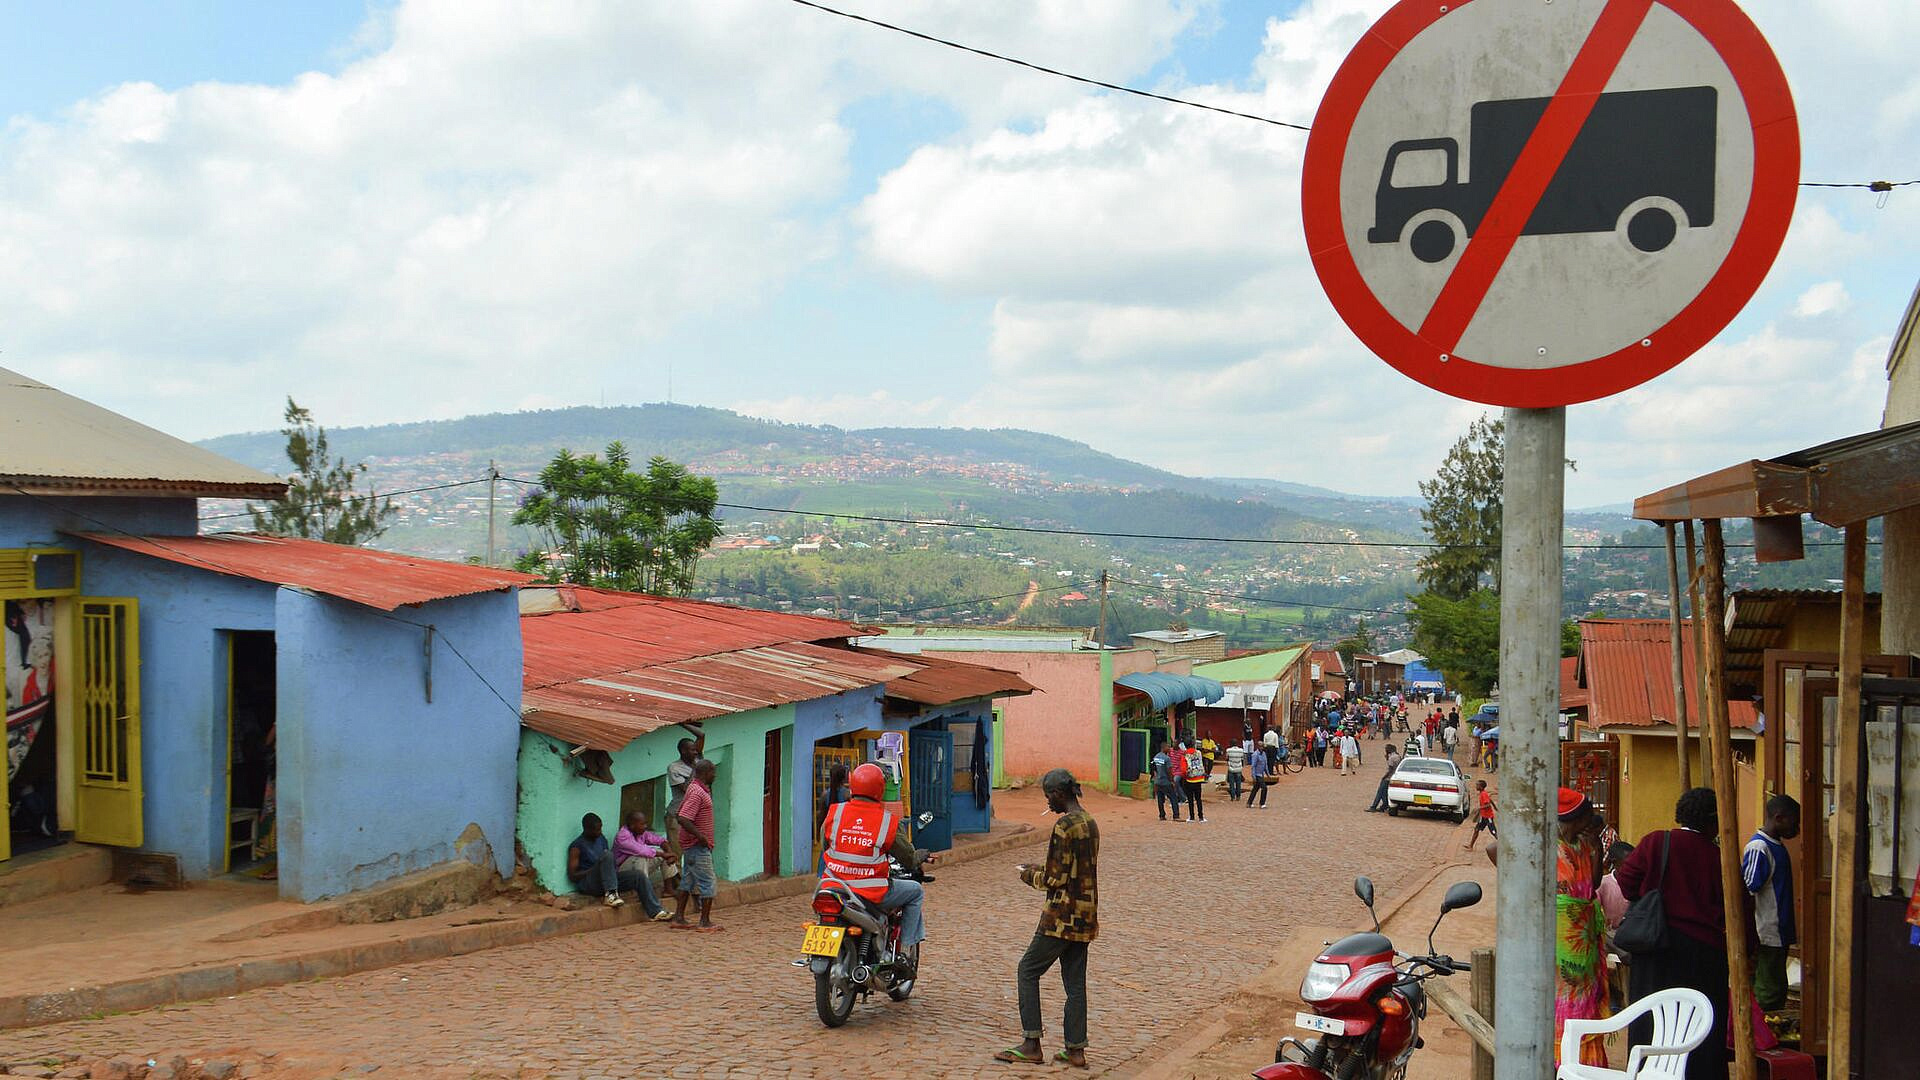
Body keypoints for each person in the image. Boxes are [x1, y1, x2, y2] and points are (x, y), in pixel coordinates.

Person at [1615, 787, 1739, 1080]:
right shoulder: (1719, 857)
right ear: (1712, 822)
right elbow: (1738, 908)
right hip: (1704, 955)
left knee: (1652, 1019)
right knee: (1702, 1026)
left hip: (1656, 949)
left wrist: (1650, 896)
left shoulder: (1657, 841)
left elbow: (1626, 880)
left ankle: (1649, 1072)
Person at [996, 769, 1099, 1069]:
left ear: (1058, 794)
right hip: (1085, 914)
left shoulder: (1064, 826)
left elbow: (1054, 878)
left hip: (1060, 917)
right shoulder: (1090, 823)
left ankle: (1031, 1043)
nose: (1047, 802)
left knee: (1027, 970)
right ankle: (1076, 1050)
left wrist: (1028, 874)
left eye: (1047, 796)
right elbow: (1075, 868)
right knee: (1075, 985)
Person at [819, 762, 932, 968]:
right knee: (915, 891)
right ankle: (905, 951)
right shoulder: (886, 821)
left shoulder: (835, 813)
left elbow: (825, 844)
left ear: (852, 786)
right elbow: (907, 857)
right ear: (880, 790)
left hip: (832, 887)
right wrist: (920, 855)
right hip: (870, 892)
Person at [1555, 789, 1610, 1068]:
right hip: (1562, 938)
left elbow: (1595, 882)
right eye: (1587, 817)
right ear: (1573, 819)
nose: (1592, 822)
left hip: (1585, 937)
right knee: (1564, 998)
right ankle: (1562, 1061)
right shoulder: (1547, 845)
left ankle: (1582, 1063)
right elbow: (1495, 850)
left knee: (1585, 999)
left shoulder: (1585, 844)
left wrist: (1598, 850)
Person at [1742, 793, 1801, 1011]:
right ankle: (1762, 1034)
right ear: (1779, 818)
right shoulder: (1759, 848)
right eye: (1794, 821)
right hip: (1767, 930)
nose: (1797, 827)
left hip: (1779, 929)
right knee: (1768, 989)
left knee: (1776, 984)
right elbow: (1749, 888)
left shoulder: (1775, 845)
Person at [670, 759, 722, 931]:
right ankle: (705, 921)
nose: (715, 775)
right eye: (713, 771)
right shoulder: (697, 792)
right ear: (706, 773)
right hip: (696, 845)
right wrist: (701, 836)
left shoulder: (695, 788)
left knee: (688, 881)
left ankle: (679, 918)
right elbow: (683, 817)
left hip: (693, 845)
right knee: (708, 881)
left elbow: (680, 813)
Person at [613, 810, 674, 920]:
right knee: (642, 857)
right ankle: (643, 893)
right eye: (642, 824)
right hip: (623, 872)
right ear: (632, 825)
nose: (645, 826)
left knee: (661, 853)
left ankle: (668, 889)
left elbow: (659, 840)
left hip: (636, 868)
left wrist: (669, 852)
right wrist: (665, 854)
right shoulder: (623, 836)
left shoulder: (640, 833)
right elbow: (642, 850)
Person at [567, 812, 625, 908]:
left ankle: (655, 911)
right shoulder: (576, 847)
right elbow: (572, 876)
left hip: (604, 882)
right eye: (597, 830)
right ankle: (611, 896)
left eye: (600, 828)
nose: (600, 832)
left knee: (638, 876)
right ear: (587, 829)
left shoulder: (601, 839)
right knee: (608, 855)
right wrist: (595, 869)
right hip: (588, 884)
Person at [1150, 744, 1182, 822]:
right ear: (1163, 748)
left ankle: (1162, 815)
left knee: (1160, 799)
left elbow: (1153, 768)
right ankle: (1176, 816)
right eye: (1168, 747)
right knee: (1173, 798)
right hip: (1166, 782)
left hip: (1158, 782)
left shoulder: (1156, 757)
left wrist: (1155, 779)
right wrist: (1172, 781)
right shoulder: (1167, 758)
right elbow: (1169, 771)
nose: (1169, 749)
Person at [1464, 780, 1496, 850]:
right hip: (1483, 816)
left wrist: (1479, 808)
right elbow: (1490, 800)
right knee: (1476, 829)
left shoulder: (1483, 794)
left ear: (1481, 787)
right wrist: (1496, 808)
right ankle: (1471, 846)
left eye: (1477, 785)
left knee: (1493, 832)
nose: (1476, 786)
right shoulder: (1483, 793)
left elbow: (1488, 804)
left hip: (1488, 817)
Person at [1367, 746, 1401, 812]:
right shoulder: (1398, 756)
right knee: (1385, 792)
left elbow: (1390, 769)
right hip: (1394, 777)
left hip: (1388, 778)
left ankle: (1374, 806)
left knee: (1380, 792)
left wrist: (1384, 776)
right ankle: (1384, 806)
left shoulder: (1391, 758)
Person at [1181, 740, 1207, 823]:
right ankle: (1201, 817)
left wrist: (1184, 777)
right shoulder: (1198, 753)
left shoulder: (1184, 755)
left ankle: (1192, 817)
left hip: (1189, 779)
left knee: (1190, 799)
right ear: (1193, 745)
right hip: (1198, 778)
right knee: (1198, 799)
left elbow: (1183, 770)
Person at [1245, 743, 1272, 808]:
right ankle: (1262, 803)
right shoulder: (1255, 755)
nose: (1262, 747)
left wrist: (1268, 774)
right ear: (1258, 747)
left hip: (1261, 774)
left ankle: (1249, 803)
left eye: (1263, 746)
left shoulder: (1264, 754)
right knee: (1264, 788)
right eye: (1261, 746)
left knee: (1255, 789)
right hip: (1257, 774)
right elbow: (1253, 766)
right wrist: (1253, 776)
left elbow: (1265, 765)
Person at [1223, 738, 1246, 803]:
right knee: (1238, 783)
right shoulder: (1241, 750)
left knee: (1231, 784)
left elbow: (1226, 758)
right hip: (1238, 768)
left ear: (1231, 744)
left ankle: (1233, 797)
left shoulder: (1228, 750)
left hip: (1231, 768)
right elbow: (1242, 759)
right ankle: (1238, 796)